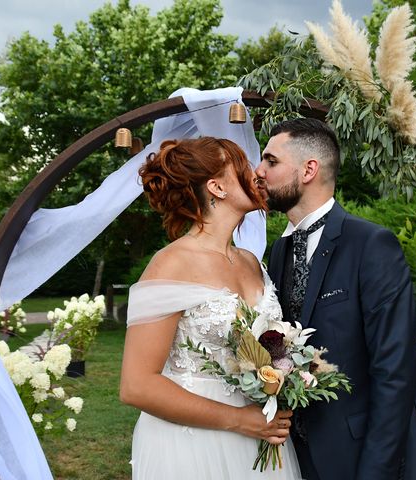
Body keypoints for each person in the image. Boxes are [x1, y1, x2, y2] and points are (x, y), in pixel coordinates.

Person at [255, 118, 416, 480]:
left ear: (309, 169)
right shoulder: (277, 251)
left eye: (271, 161)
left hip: (365, 456)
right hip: (297, 456)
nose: (258, 171)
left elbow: (395, 373)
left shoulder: (371, 245)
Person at [120, 137, 301, 479]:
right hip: (193, 445)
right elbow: (137, 385)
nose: (257, 174)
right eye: (244, 168)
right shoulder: (171, 263)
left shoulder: (250, 260)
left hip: (260, 438)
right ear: (217, 187)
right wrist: (238, 420)